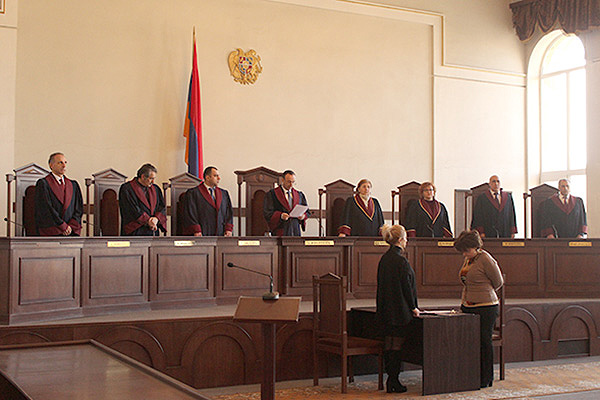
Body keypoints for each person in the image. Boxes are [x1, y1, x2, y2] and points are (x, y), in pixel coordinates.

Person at [454, 230, 503, 389]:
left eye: (466, 250)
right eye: (462, 251)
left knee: (484, 341)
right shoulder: (469, 260)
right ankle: (471, 374)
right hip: (468, 305)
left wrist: (482, 291)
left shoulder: (485, 259)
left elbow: (498, 282)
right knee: (469, 342)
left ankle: (486, 377)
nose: (464, 254)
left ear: (476, 247)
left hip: (486, 306)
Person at [376, 224, 420, 393]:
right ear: (401, 240)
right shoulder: (401, 260)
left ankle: (391, 380)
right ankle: (394, 380)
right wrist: (413, 307)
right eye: (406, 238)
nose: (407, 241)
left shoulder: (384, 259)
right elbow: (407, 287)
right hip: (399, 310)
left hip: (386, 309)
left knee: (389, 344)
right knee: (397, 346)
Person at [34, 152, 83, 236]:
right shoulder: (43, 184)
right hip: (52, 231)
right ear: (51, 165)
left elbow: (78, 209)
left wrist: (70, 227)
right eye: (60, 162)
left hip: (71, 232)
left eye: (65, 162)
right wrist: (62, 226)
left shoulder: (73, 185)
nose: (64, 165)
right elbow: (46, 208)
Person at [181, 166, 233, 236]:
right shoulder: (193, 193)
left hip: (220, 235)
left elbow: (228, 213)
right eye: (215, 176)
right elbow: (190, 213)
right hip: (202, 234)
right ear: (207, 177)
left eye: (218, 176)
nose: (219, 178)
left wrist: (228, 229)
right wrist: (196, 230)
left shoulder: (224, 194)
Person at [119, 163, 167, 236]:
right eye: (151, 178)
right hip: (135, 231)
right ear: (143, 176)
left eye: (154, 178)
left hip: (153, 229)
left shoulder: (156, 189)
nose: (153, 181)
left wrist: (156, 219)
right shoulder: (127, 189)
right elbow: (131, 209)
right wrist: (148, 220)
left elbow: (161, 207)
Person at [263, 170, 309, 236]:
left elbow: (307, 212)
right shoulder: (272, 194)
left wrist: (303, 216)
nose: (291, 185)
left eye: (293, 182)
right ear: (282, 180)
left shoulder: (299, 195)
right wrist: (280, 215)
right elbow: (267, 213)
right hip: (281, 229)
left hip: (295, 229)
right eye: (289, 182)